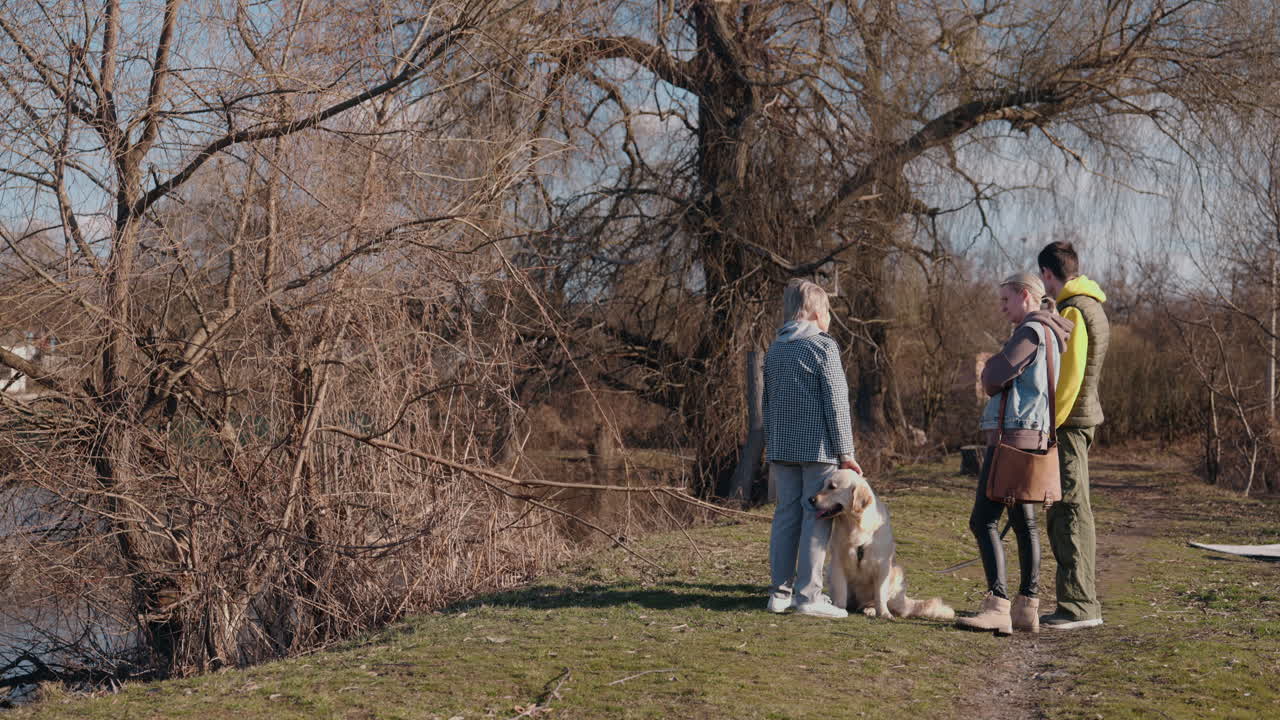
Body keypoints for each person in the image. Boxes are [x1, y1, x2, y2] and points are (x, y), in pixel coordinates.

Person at [957, 272, 1072, 635]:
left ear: (1025, 296)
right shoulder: (1053, 334)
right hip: (1034, 436)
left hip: (1011, 438)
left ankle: (997, 604)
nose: (1001, 307)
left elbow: (992, 379)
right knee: (1025, 523)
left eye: (1005, 300)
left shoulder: (1030, 331)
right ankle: (1028, 607)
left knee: (983, 520)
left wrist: (992, 363)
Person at [762, 278, 861, 618]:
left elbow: (767, 401)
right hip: (819, 449)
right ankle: (809, 597)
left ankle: (779, 593)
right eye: (828, 311)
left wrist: (771, 444)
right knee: (815, 518)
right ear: (818, 312)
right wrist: (846, 453)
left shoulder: (775, 348)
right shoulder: (823, 347)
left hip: (782, 447)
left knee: (785, 515)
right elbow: (836, 403)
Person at [1037, 241, 1110, 630]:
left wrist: (1048, 425)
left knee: (1069, 511)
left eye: (1043, 278)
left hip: (1069, 424)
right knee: (1071, 507)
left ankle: (1079, 605)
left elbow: (1068, 381)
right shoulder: (1089, 304)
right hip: (1080, 421)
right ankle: (1079, 602)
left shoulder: (1075, 310)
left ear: (1048, 274)